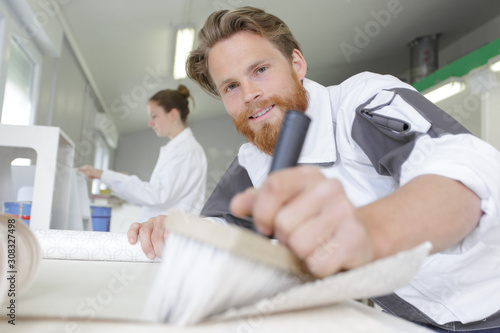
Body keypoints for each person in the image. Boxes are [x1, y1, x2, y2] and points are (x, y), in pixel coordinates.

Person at [127, 7, 500, 332]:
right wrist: (176, 229)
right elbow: (224, 223)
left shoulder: (360, 103)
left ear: (296, 63)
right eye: (231, 87)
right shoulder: (252, 161)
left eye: (259, 69)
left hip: (489, 310)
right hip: (405, 319)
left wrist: (368, 232)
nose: (250, 94)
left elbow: (462, 168)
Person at [79, 85, 207, 229]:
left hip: (173, 236)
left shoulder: (187, 150)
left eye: (154, 116)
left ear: (172, 114)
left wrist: (104, 175)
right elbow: (153, 198)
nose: (150, 123)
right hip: (166, 234)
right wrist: (117, 182)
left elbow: (157, 195)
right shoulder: (178, 149)